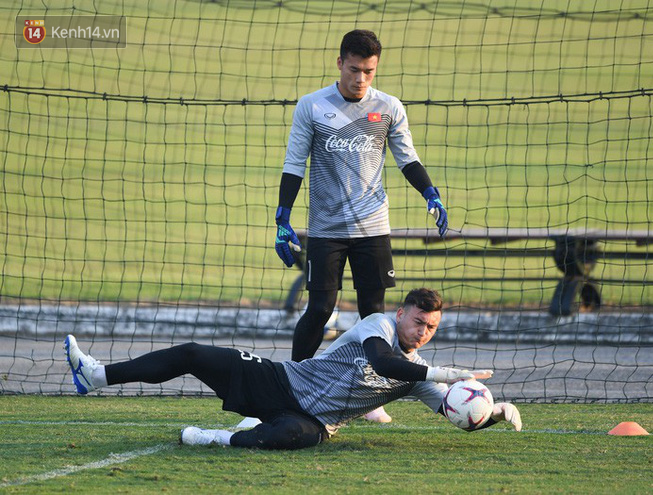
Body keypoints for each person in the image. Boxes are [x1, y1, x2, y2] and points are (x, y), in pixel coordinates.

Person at [64, 288, 522, 450]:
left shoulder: (417, 369)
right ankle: (95, 375)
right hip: (280, 379)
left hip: (314, 420)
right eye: (418, 321)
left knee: (292, 438)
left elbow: (454, 414)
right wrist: (443, 373)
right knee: (192, 352)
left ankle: (214, 439)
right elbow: (383, 362)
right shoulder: (375, 326)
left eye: (432, 327)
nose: (423, 331)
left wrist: (492, 413)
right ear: (402, 314)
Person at [274, 31, 448, 420]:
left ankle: (368, 396)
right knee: (320, 308)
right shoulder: (312, 106)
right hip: (326, 228)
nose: (361, 79)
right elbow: (293, 163)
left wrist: (430, 193)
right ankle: (290, 384)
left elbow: (407, 158)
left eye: (369, 71)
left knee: (374, 314)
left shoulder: (388, 107)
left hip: (373, 227)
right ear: (340, 63)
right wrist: (283, 217)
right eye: (354, 69)